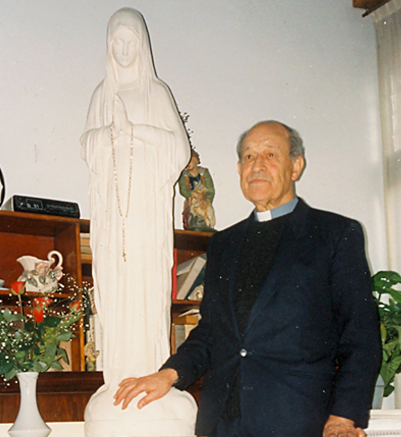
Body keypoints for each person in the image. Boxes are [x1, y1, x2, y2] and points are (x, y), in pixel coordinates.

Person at [113, 120, 382, 437]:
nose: (257, 165)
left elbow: (360, 335)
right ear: (239, 169)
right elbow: (211, 331)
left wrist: (343, 417)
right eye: (249, 157)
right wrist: (169, 374)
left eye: (270, 154)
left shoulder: (334, 234)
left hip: (299, 421)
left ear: (296, 166)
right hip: (222, 421)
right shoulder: (223, 243)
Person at [80, 7, 190, 387]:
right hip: (113, 214)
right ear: (108, 45)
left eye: (131, 42)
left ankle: (150, 376)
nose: (125, 50)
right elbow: (87, 144)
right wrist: (109, 133)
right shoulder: (102, 94)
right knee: (115, 289)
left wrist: (133, 131)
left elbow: (179, 150)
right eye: (118, 42)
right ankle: (117, 379)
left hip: (145, 211)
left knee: (144, 290)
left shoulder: (156, 92)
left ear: (142, 46)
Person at [179, 149, 216, 231]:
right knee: (191, 212)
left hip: (203, 199)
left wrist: (207, 200)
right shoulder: (184, 175)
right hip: (192, 200)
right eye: (186, 161)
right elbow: (183, 190)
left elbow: (210, 190)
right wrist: (192, 194)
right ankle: (193, 223)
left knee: (206, 210)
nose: (188, 163)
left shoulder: (204, 173)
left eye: (191, 160)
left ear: (196, 160)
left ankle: (205, 224)